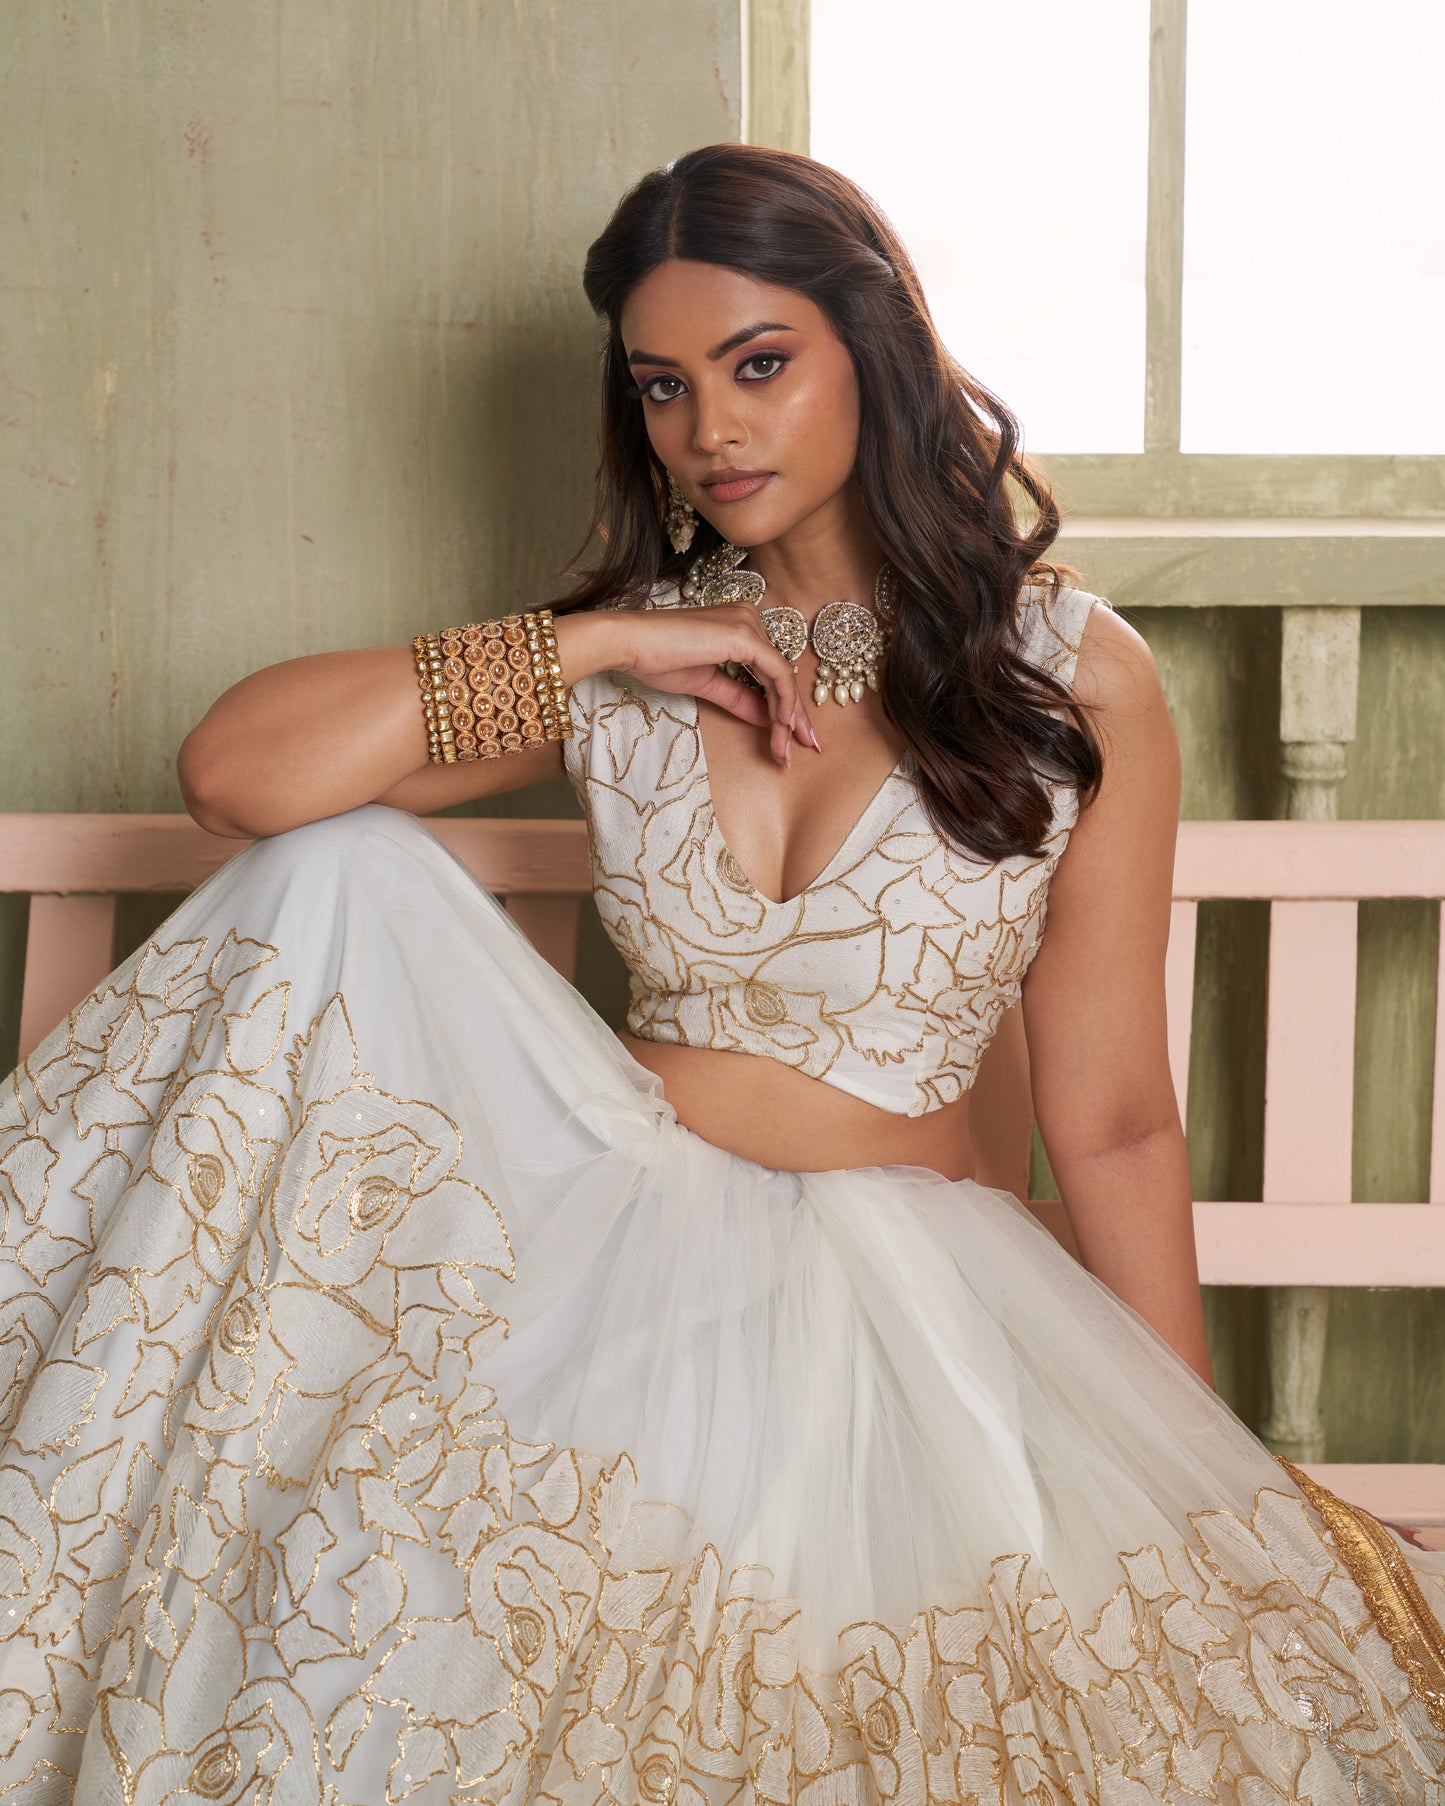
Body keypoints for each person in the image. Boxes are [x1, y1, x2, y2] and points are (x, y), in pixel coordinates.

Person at [1, 142, 1441, 1803]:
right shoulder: (636, 660)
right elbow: (236, 778)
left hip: (898, 1286)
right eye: (667, 387)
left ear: (871, 355)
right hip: (610, 1241)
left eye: (761, 365)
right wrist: (607, 640)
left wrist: (1201, 1481)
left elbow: (1109, 1120)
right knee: (336, 860)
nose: (713, 429)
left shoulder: (1065, 672)